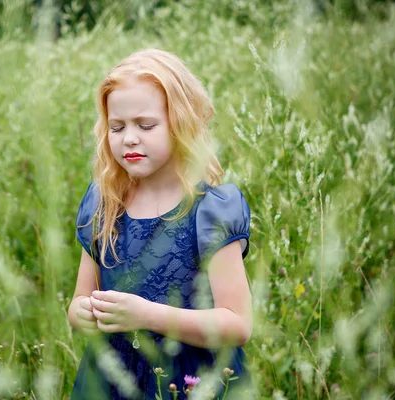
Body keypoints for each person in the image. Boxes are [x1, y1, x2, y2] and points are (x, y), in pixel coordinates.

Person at [67, 48, 253, 400]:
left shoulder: (211, 210)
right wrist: (86, 312)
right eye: (117, 127)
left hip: (190, 380)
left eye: (146, 125)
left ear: (181, 122)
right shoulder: (105, 203)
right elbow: (78, 303)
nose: (129, 139)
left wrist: (147, 316)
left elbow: (238, 325)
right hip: (111, 380)